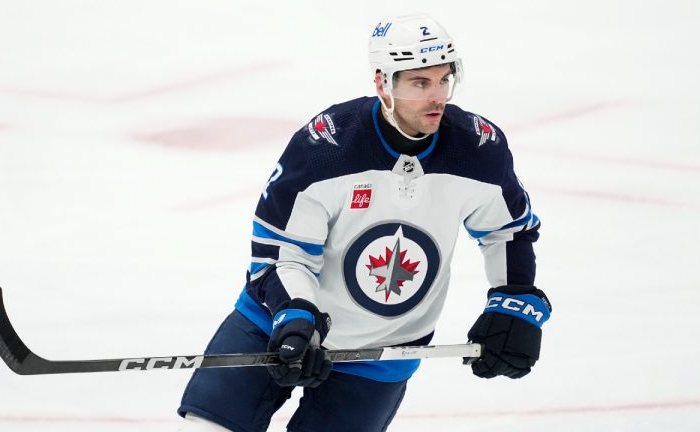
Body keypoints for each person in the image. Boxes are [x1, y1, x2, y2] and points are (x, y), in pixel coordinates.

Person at [177, 13, 551, 432]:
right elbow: (282, 252)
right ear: (382, 84)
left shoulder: (478, 149)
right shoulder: (326, 148)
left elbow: (510, 230)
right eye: (419, 83)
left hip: (383, 351)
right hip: (274, 324)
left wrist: (516, 301)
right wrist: (296, 315)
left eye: (444, 80)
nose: (437, 97)